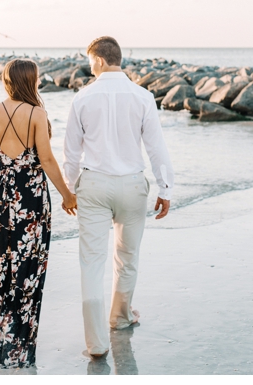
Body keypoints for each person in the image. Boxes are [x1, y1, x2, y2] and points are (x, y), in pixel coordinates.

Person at [0, 58, 78, 369]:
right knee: (26, 268)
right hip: (31, 197)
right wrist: (68, 195)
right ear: (31, 81)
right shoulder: (37, 113)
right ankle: (14, 346)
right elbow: (48, 161)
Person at [63, 36, 174, 358]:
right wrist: (165, 188)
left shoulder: (82, 98)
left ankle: (96, 344)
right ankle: (120, 318)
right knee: (127, 258)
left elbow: (71, 153)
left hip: (94, 186)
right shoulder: (143, 96)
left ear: (97, 60)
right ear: (118, 59)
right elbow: (156, 148)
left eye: (89, 62)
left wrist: (71, 191)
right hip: (132, 186)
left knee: (92, 263)